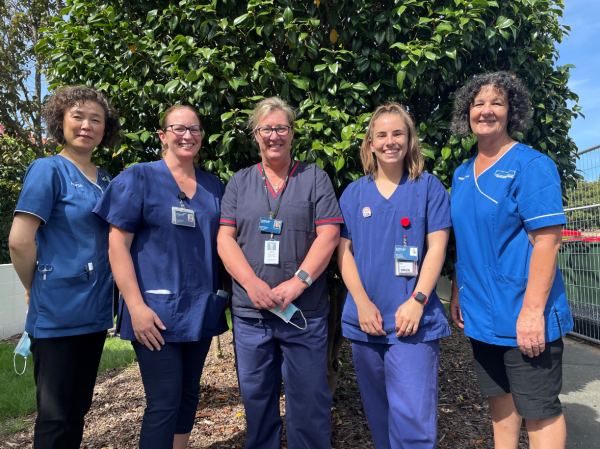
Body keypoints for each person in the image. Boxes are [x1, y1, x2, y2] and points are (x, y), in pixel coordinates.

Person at [449, 71, 574, 449]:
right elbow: (466, 240)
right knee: (500, 408)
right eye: (478, 103)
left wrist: (533, 313)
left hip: (524, 316)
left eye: (497, 103)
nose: (486, 111)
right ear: (466, 112)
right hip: (482, 315)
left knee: (539, 412)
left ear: (511, 111)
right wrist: (458, 289)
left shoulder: (532, 166)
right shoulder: (461, 175)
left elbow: (547, 242)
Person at [93, 105, 228, 449]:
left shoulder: (213, 186)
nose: (187, 135)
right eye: (178, 128)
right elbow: (117, 247)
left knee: (187, 396)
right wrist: (135, 307)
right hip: (154, 312)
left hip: (200, 309)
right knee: (163, 401)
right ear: (163, 135)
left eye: (195, 129)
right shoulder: (138, 178)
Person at [217, 97, 343, 449]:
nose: (274, 136)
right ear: (255, 135)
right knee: (257, 401)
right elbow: (225, 239)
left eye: (281, 128)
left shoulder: (314, 177)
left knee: (309, 402)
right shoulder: (240, 182)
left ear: (292, 132)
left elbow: (329, 234)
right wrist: (252, 284)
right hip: (251, 313)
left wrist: (299, 282)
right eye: (266, 129)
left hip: (303, 312)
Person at [8, 86, 120, 448]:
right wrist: (32, 287)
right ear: (60, 122)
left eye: (95, 120)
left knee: (77, 410)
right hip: (57, 313)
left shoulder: (105, 181)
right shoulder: (48, 170)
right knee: (55, 417)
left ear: (105, 129)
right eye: (78, 117)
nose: (86, 126)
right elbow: (20, 240)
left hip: (94, 312)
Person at [337, 103, 452, 448]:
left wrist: (418, 301)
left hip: (412, 325)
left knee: (414, 425)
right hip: (366, 324)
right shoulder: (354, 194)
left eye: (397, 133)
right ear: (370, 143)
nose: (390, 141)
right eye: (381, 135)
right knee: (380, 419)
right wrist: (361, 303)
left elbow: (437, 247)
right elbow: (343, 252)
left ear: (410, 140)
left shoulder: (429, 188)